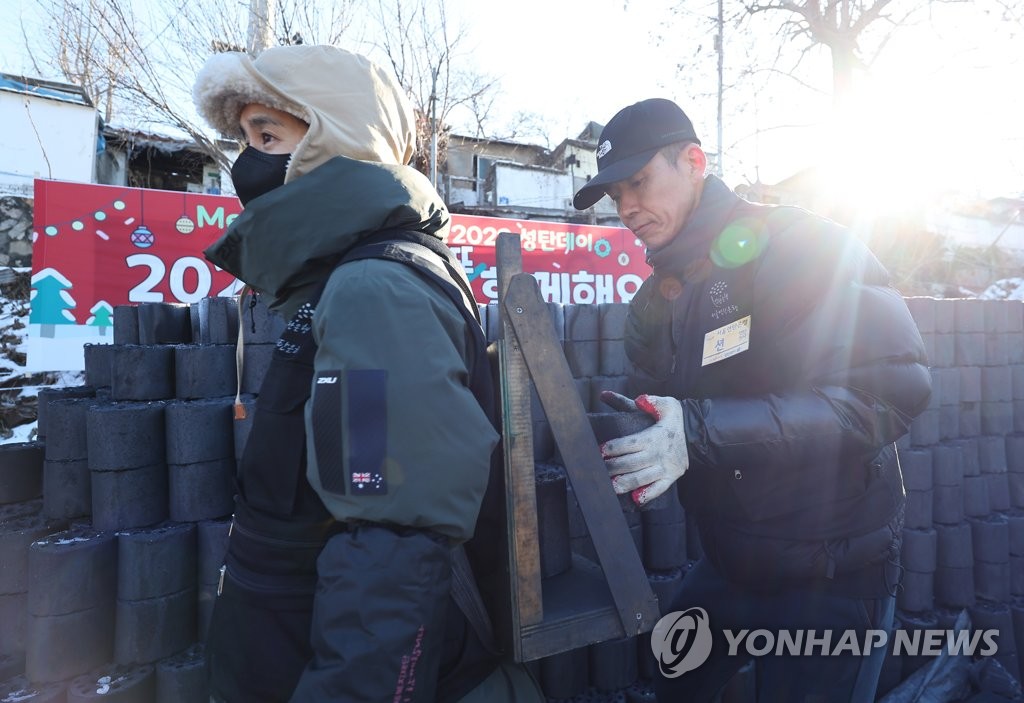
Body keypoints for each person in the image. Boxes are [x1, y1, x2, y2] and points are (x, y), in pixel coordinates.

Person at [192, 45, 541, 703]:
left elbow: (392, 550)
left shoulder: (373, 291)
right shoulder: (351, 280)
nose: (246, 163)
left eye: (268, 136)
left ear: (335, 142)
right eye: (243, 139)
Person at [573, 98, 932, 702]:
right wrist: (646, 419)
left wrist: (697, 430)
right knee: (673, 675)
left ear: (694, 162)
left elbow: (890, 392)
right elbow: (686, 404)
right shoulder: (661, 297)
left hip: (832, 571)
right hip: (734, 560)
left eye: (639, 181)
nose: (627, 207)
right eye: (615, 195)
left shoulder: (800, 246)